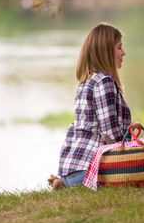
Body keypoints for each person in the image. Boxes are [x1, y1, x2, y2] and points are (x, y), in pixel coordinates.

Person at [48, 22, 138, 189]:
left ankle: (65, 183)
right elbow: (110, 133)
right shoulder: (104, 81)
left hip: (72, 166)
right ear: (106, 52)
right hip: (90, 168)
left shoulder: (86, 82)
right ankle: (73, 184)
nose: (123, 53)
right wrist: (131, 147)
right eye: (119, 47)